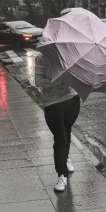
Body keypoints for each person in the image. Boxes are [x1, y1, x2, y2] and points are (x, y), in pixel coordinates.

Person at [35, 53, 80, 192]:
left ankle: (65, 158)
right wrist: (58, 80)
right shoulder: (42, 58)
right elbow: (38, 82)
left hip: (71, 100)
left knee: (66, 131)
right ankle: (62, 175)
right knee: (60, 137)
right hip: (52, 103)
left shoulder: (71, 55)